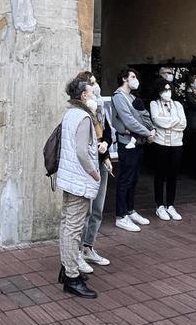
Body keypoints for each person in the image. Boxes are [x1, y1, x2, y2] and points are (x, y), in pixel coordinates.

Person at [55, 77, 101, 299]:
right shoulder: (83, 117)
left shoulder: (70, 113)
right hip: (79, 180)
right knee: (73, 228)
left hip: (68, 177)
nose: (94, 94)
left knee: (67, 225)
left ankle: (67, 269)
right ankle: (72, 277)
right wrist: (94, 173)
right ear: (83, 95)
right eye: (92, 91)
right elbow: (83, 152)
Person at [111, 69, 156, 231]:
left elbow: (141, 116)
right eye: (133, 77)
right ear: (124, 79)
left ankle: (130, 211)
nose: (136, 80)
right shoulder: (119, 97)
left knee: (134, 178)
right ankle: (121, 215)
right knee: (125, 179)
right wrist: (147, 132)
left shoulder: (132, 97)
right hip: (127, 143)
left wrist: (150, 130)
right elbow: (128, 120)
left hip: (138, 142)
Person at [76, 72, 113, 268]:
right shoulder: (78, 111)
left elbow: (106, 132)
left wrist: (106, 146)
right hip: (86, 166)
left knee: (98, 208)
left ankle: (89, 247)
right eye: (91, 84)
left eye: (95, 82)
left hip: (101, 161)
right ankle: (78, 251)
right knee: (86, 210)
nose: (95, 87)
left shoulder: (100, 108)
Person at [149, 73, 187, 221]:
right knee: (160, 174)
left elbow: (183, 124)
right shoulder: (154, 104)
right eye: (164, 90)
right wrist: (174, 121)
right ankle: (159, 205)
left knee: (173, 175)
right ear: (159, 91)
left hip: (177, 144)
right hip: (160, 144)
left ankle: (170, 204)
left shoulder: (178, 105)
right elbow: (158, 121)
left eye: (169, 89)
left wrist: (169, 123)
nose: (167, 92)